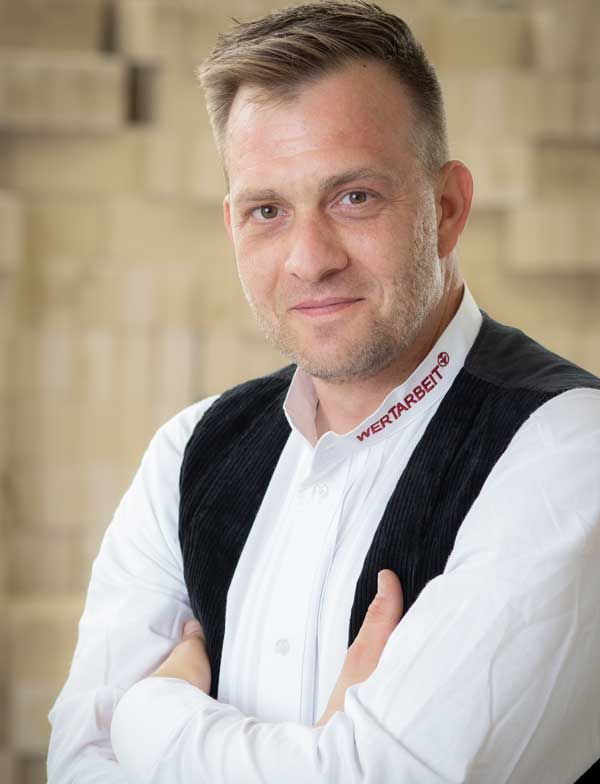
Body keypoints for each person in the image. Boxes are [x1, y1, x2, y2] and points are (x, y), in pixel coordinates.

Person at [47, 2, 600, 782]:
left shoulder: (568, 451)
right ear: (232, 226)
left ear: (446, 209)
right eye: (267, 210)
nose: (310, 258)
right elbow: (77, 765)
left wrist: (148, 715)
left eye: (354, 197)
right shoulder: (187, 453)